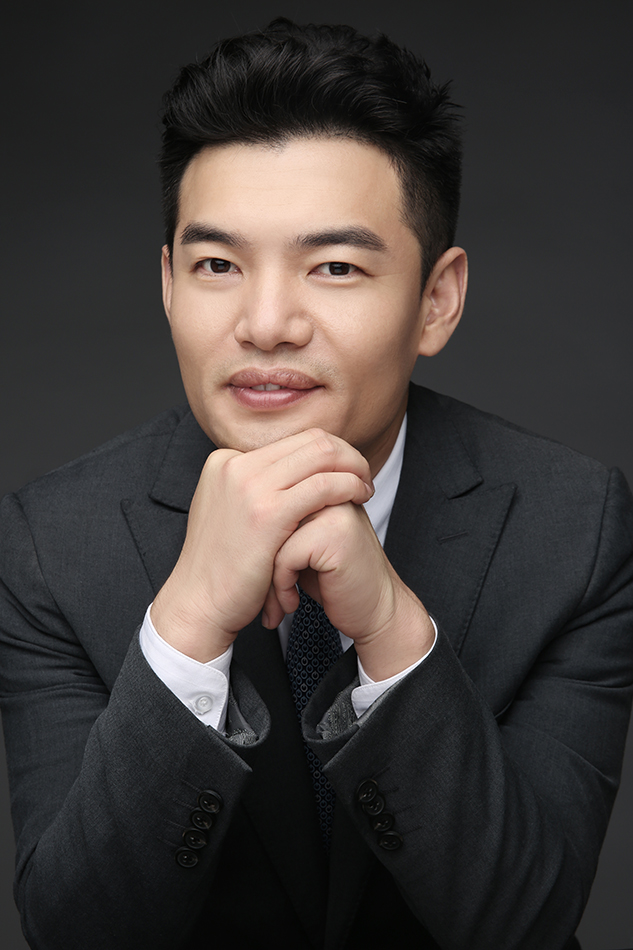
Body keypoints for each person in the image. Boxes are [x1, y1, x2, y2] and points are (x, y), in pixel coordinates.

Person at [0, 17, 632, 950]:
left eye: (334, 267)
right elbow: (77, 932)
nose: (265, 323)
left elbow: (525, 923)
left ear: (436, 300)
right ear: (168, 285)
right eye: (218, 265)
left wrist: (392, 632)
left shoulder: (573, 527)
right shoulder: (51, 542)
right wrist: (187, 628)